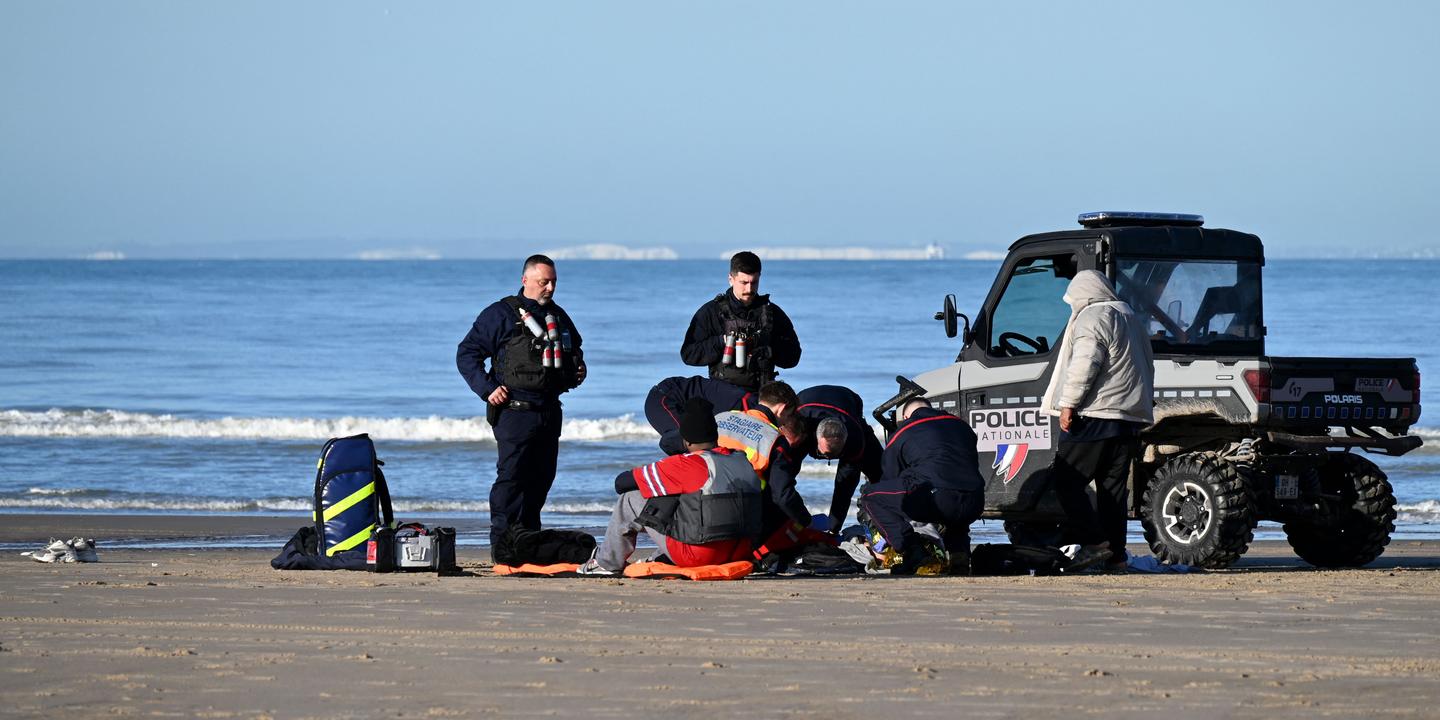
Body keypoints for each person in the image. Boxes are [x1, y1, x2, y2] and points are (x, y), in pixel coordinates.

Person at [456, 255, 586, 546]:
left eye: (553, 282)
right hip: (514, 411)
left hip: (549, 410)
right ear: (525, 280)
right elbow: (467, 354)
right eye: (543, 282)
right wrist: (487, 388)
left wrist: (579, 370)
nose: (550, 287)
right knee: (513, 478)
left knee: (542, 479)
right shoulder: (499, 314)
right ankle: (503, 543)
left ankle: (527, 540)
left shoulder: (559, 316)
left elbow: (575, 351)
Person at [1040, 269, 1155, 572]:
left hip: (1095, 415)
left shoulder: (1093, 317)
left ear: (1084, 294)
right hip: (1128, 417)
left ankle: (1094, 543)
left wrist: (1068, 404)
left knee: (1067, 482)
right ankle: (1116, 556)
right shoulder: (1131, 318)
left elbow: (1085, 364)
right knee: (1112, 491)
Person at [578, 398, 762, 575]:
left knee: (631, 498)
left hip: (700, 555)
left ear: (686, 441)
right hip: (741, 551)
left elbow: (621, 483)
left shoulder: (686, 464)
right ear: (715, 435)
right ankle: (660, 556)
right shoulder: (741, 459)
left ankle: (607, 563)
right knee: (689, 501)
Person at [859, 398, 984, 574]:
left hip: (939, 499)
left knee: (871, 497)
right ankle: (959, 555)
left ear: (905, 416)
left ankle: (913, 551)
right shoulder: (962, 426)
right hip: (975, 501)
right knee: (956, 486)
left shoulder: (905, 430)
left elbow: (889, 478)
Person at [680, 251, 801, 391]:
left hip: (762, 394)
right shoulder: (711, 312)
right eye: (743, 282)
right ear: (731, 279)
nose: (749, 289)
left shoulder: (772, 313)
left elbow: (793, 358)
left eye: (754, 282)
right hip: (723, 393)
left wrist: (767, 344)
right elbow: (689, 355)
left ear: (759, 277)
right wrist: (722, 341)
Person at [794, 384, 884, 533]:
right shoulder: (801, 430)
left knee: (881, 474)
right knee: (784, 472)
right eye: (825, 454)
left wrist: (833, 530)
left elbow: (844, 488)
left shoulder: (855, 439)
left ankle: (883, 525)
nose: (828, 458)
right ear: (817, 439)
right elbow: (783, 478)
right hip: (805, 402)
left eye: (835, 455)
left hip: (849, 401)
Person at [644, 375, 759, 456]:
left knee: (702, 444)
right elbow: (668, 443)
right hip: (663, 398)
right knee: (690, 442)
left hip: (679, 392)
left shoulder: (750, 405)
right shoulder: (745, 405)